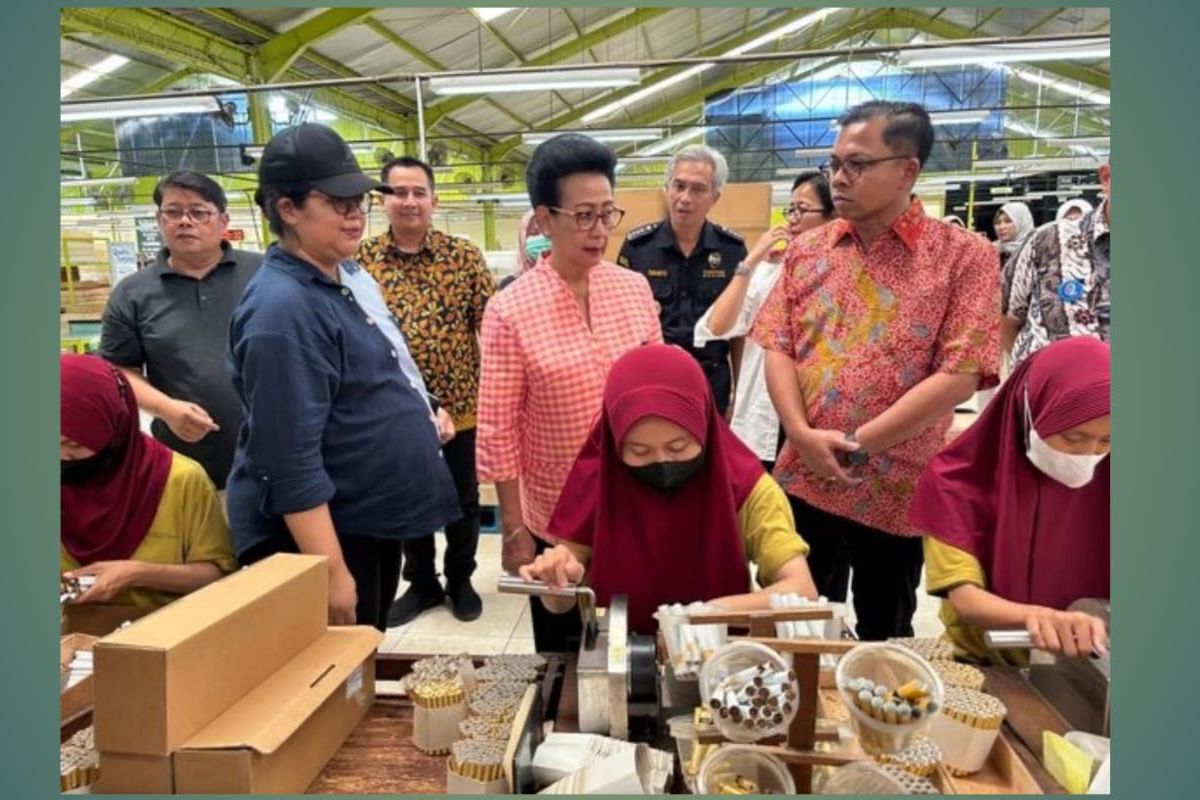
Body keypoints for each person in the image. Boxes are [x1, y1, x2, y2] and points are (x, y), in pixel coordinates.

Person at [752, 101, 1001, 640]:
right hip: (805, 478)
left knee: (884, 635)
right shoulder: (808, 251)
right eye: (833, 163)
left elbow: (960, 372)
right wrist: (798, 432)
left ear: (907, 170)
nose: (838, 178)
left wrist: (856, 443)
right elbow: (778, 344)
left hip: (896, 491)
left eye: (857, 165)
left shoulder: (964, 257)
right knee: (792, 627)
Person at [226, 123, 461, 631]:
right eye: (338, 202)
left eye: (359, 201)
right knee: (327, 683)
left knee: (359, 665)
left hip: (361, 522)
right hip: (322, 538)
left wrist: (427, 403)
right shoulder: (282, 312)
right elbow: (287, 459)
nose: (356, 214)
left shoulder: (337, 280)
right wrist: (331, 573)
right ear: (287, 208)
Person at [476, 133, 662, 650]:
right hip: (556, 516)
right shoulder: (511, 310)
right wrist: (514, 530)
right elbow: (497, 428)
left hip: (637, 502)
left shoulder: (633, 289)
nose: (599, 230)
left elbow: (661, 393)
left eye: (607, 214)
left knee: (637, 637)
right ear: (544, 218)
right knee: (564, 647)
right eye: (583, 216)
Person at [519, 345, 817, 635]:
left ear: (705, 426)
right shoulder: (598, 478)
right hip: (618, 654)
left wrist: (702, 616)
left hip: (719, 657)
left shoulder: (747, 488)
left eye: (678, 446)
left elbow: (802, 592)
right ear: (614, 442)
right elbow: (559, 603)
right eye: (639, 450)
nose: (662, 462)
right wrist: (557, 577)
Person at [356, 156, 496, 625]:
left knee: (463, 500)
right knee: (408, 496)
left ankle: (460, 578)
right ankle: (422, 583)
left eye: (419, 192)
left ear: (434, 200)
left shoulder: (464, 256)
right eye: (398, 192)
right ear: (383, 201)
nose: (409, 201)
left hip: (462, 405)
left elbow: (491, 329)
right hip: (395, 409)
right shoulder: (361, 261)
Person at [910, 337, 1110, 665]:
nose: (1089, 454)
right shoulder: (956, 482)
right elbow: (968, 599)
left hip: (1086, 668)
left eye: (1107, 440)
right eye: (1073, 438)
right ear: (1029, 412)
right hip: (984, 664)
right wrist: (1047, 619)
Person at [99, 170, 262, 492]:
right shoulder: (132, 294)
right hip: (189, 466)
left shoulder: (264, 274)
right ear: (159, 220)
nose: (185, 221)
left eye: (199, 212)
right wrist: (166, 409)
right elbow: (119, 369)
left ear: (223, 220)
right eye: (173, 212)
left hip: (274, 458)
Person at [61, 354, 234, 608]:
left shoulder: (179, 480)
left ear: (114, 427)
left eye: (73, 444)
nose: (62, 456)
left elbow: (219, 577)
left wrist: (136, 574)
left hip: (161, 633)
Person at [694, 171, 836, 471]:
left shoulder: (848, 277)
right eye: (791, 209)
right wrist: (749, 264)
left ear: (834, 217)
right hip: (763, 423)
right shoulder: (769, 271)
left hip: (823, 422)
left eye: (802, 209)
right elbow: (714, 327)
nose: (792, 219)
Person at [617, 145, 747, 415]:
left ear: (715, 197)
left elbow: (740, 330)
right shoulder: (638, 248)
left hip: (712, 385)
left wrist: (741, 393)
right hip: (653, 382)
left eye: (698, 189)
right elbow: (621, 324)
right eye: (678, 186)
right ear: (667, 188)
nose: (685, 198)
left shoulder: (732, 251)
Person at [1002, 164, 1111, 366]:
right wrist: (1033, 373)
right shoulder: (1047, 240)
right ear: (1106, 178)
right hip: (1051, 393)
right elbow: (1006, 318)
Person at [993, 201, 1035, 278]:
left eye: (1008, 221)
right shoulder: (991, 251)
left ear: (1022, 222)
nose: (1001, 227)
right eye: (997, 223)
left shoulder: (1035, 252)